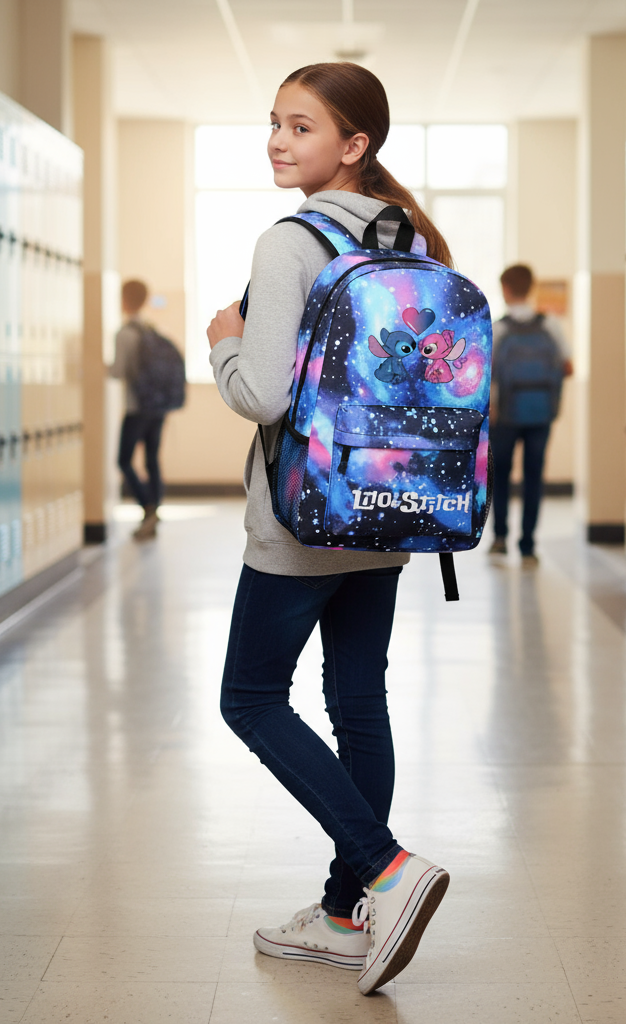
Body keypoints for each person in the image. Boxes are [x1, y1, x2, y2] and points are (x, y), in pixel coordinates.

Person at [206, 63, 450, 996]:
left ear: (353, 146)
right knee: (359, 704)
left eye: (301, 128)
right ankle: (348, 916)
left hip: (304, 516)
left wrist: (227, 336)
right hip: (389, 513)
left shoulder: (289, 243)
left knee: (251, 699)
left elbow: (261, 394)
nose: (277, 140)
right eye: (273, 122)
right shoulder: (413, 237)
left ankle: (385, 869)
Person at [489, 264, 572, 565]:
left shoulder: (499, 328)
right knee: (534, 478)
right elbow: (568, 367)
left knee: (500, 478)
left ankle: (499, 538)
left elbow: (487, 373)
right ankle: (528, 545)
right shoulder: (550, 325)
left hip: (505, 415)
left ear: (505, 289)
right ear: (531, 287)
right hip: (540, 414)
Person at [109, 279, 185, 541]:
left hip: (137, 406)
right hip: (158, 406)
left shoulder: (125, 333)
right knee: (152, 459)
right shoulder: (152, 328)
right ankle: (154, 510)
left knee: (123, 460)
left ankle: (148, 508)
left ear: (123, 300)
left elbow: (119, 371)